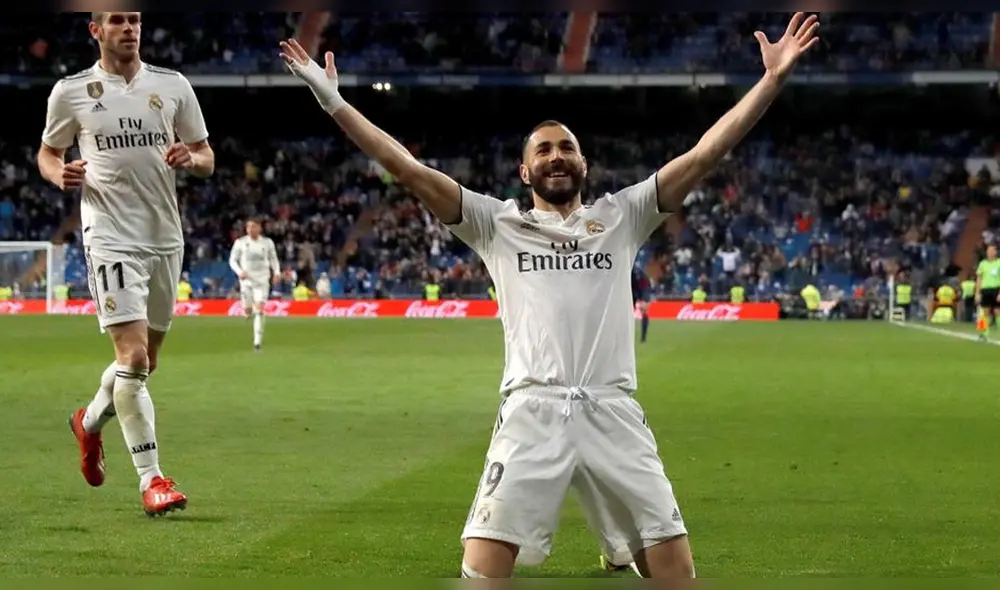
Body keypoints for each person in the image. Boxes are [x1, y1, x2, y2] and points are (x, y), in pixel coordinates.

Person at [279, 12, 818, 578]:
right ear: (524, 169)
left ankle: (622, 543)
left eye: (566, 147)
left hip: (612, 409)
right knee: (484, 571)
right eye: (544, 150)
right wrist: (334, 102)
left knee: (677, 574)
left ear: (584, 163)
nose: (556, 155)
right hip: (531, 411)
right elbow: (406, 169)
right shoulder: (495, 224)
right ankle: (620, 543)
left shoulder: (623, 215)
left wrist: (772, 80)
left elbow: (706, 154)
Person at [38, 12, 214, 516]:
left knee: (143, 364)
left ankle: (88, 422)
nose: (129, 28)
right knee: (133, 358)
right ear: (96, 30)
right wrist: (59, 174)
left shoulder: (172, 85)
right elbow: (48, 154)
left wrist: (191, 158)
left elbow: (207, 156)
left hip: (164, 236)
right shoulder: (71, 92)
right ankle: (152, 480)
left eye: (134, 20)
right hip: (110, 236)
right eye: (117, 20)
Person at [229, 218, 281, 351]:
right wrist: (239, 272)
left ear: (260, 228)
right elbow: (232, 260)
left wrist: (277, 272)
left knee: (259, 310)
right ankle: (246, 310)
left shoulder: (267, 242)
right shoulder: (240, 243)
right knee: (248, 310)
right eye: (249, 227)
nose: (252, 229)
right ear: (246, 229)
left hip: (262, 280)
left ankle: (257, 343)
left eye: (254, 226)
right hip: (246, 281)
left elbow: (273, 259)